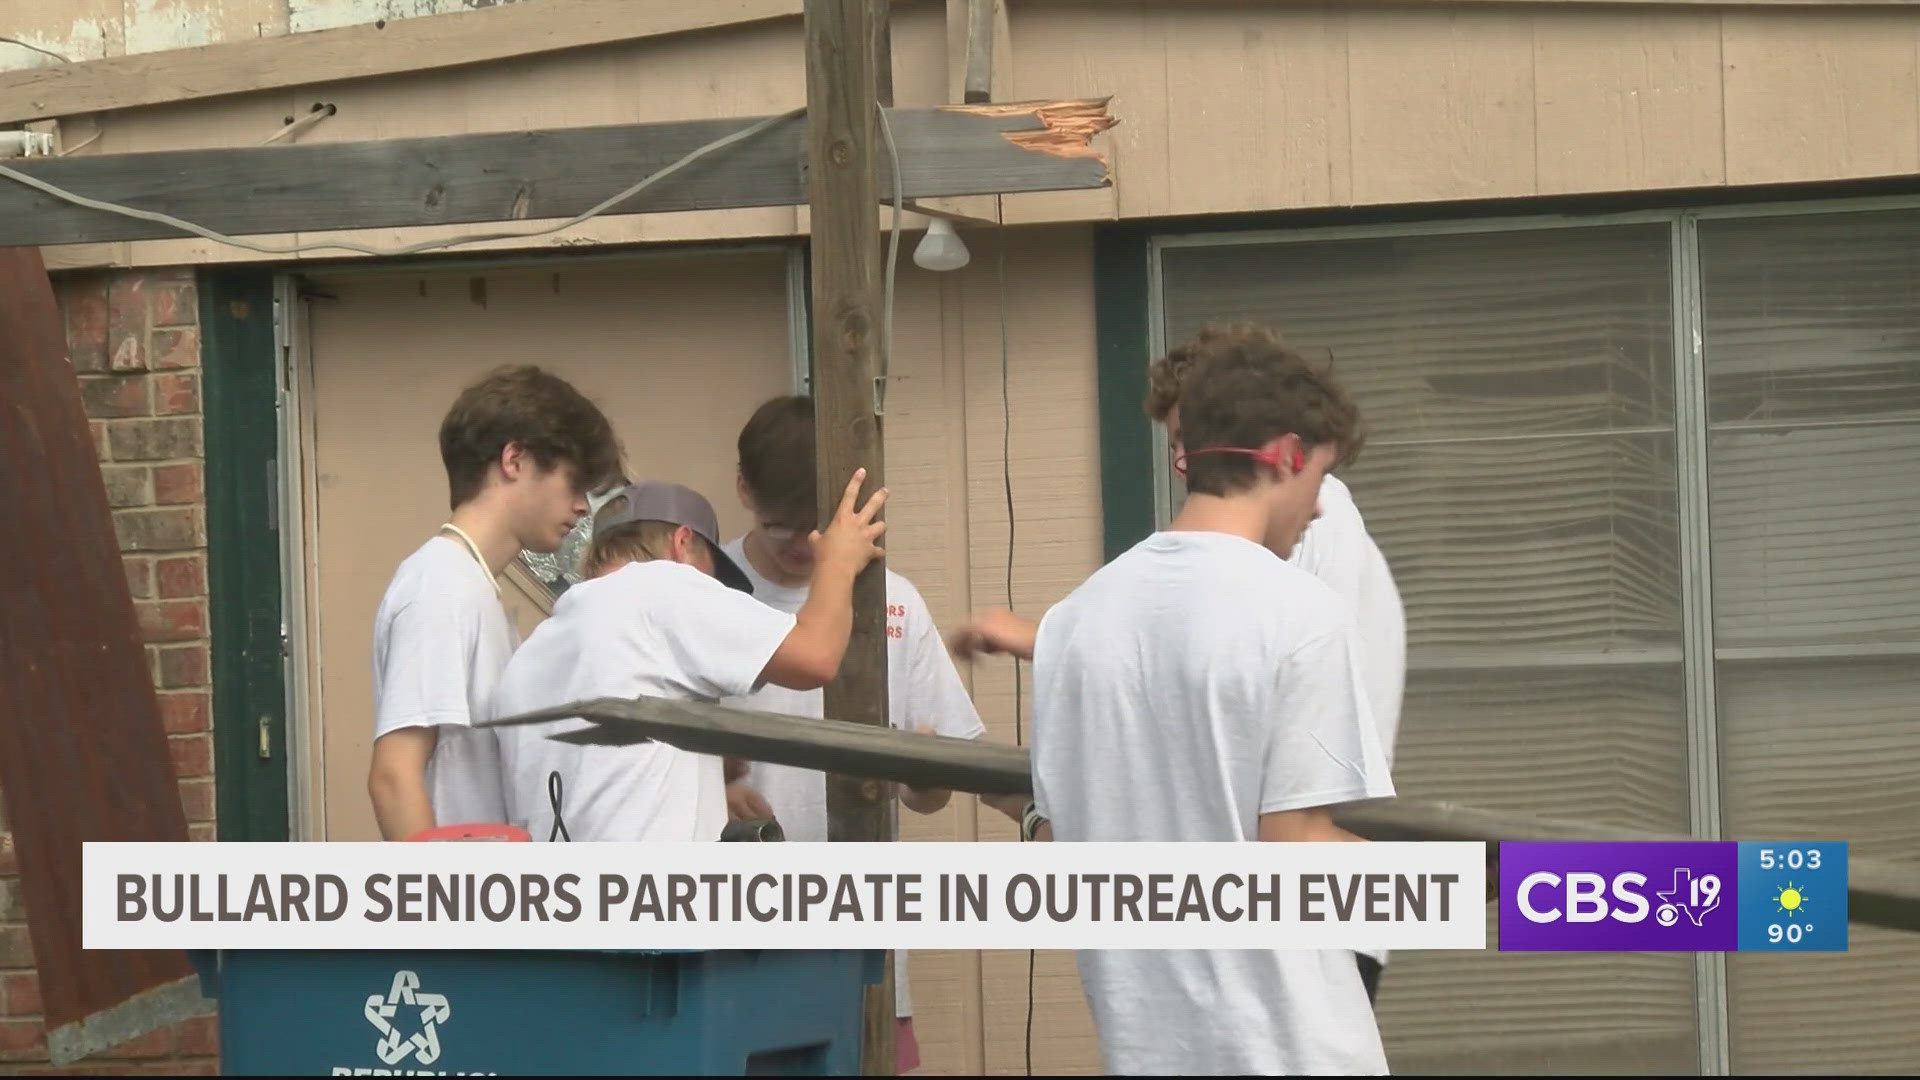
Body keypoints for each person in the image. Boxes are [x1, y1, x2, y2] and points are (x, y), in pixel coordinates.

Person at [956, 327, 1395, 1075]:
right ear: (1287, 456)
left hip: (1146, 1042)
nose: (1319, 510)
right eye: (1318, 478)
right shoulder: (1300, 615)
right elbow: (1294, 845)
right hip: (1291, 1043)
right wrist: (1479, 878)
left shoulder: (1076, 619)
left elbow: (1071, 833)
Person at [717, 395, 1022, 1075]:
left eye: (822, 525)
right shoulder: (703, 593)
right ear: (743, 489)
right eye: (783, 524)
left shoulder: (893, 602)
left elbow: (936, 790)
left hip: (864, 945)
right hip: (730, 949)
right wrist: (715, 783)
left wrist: (922, 773)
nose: (806, 544)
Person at [1148, 327, 1407, 1004]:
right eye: (1177, 446)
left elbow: (1234, 664)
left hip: (1310, 888)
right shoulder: (1208, 572)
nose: (1186, 458)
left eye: (1192, 436)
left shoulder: (1316, 530)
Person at [490, 474, 886, 843]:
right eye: (711, 577)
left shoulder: (532, 654)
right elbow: (815, 656)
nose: (711, 589)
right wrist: (838, 561)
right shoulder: (659, 583)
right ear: (682, 544)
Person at [367, 365, 622, 841]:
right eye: (574, 481)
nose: (584, 505)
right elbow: (392, 778)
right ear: (515, 460)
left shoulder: (470, 585)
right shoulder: (440, 587)